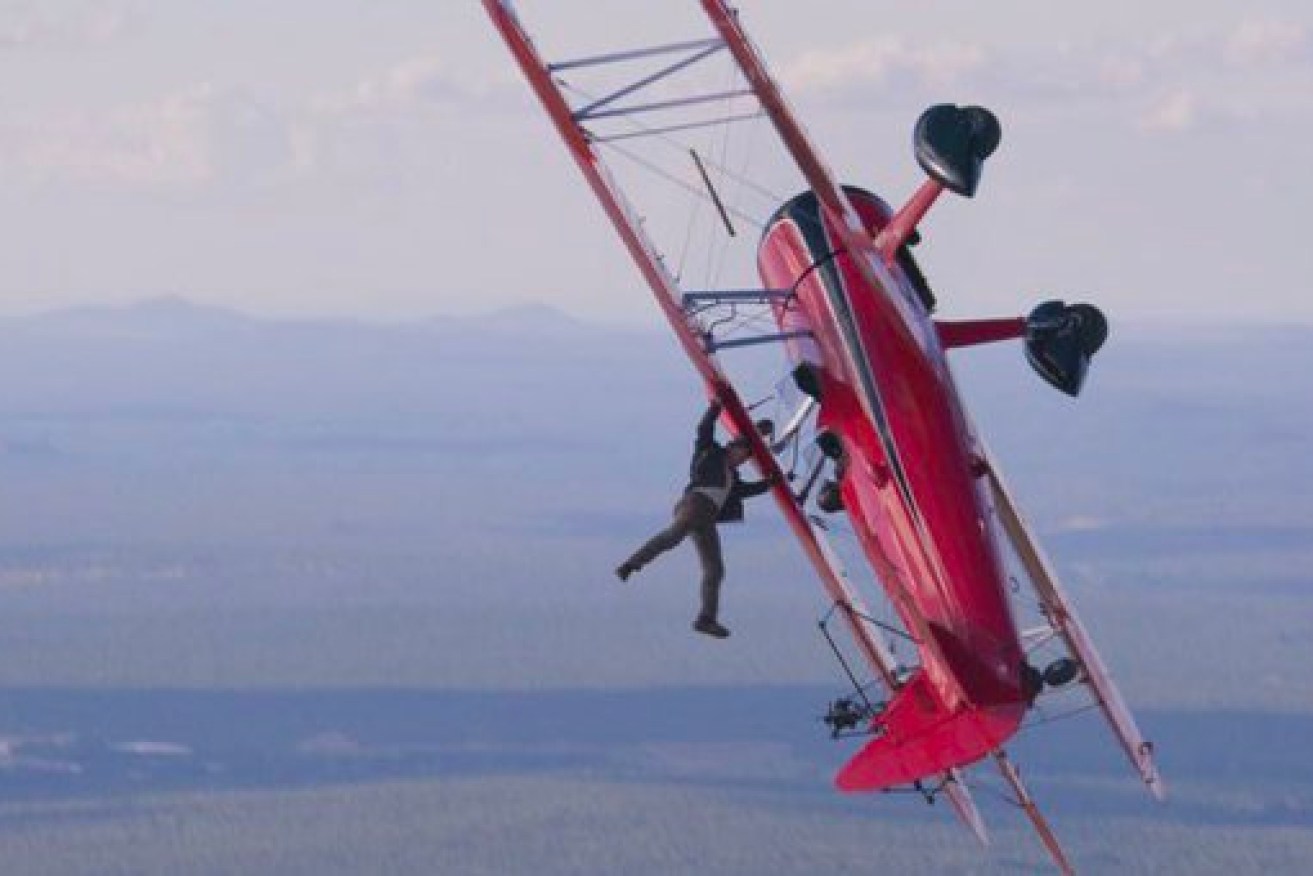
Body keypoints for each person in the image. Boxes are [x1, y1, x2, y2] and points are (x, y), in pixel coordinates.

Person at [615, 400, 774, 639]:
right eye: (742, 453)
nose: (743, 459)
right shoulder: (710, 452)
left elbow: (746, 491)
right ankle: (630, 565)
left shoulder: (732, 478)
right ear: (732, 447)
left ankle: (706, 619)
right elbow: (703, 429)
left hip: (707, 518)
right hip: (694, 503)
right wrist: (715, 408)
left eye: (746, 458)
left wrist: (771, 483)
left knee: (715, 568)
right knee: (674, 535)